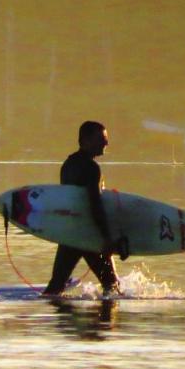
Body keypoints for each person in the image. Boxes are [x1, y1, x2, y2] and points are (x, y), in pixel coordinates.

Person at [42, 120, 120, 297]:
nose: (106, 143)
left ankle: (60, 322)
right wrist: (106, 238)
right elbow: (94, 204)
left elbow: (70, 201)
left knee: (55, 287)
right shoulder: (92, 168)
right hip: (87, 234)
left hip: (70, 234)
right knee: (112, 285)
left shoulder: (68, 164)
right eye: (102, 139)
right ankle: (106, 322)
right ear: (85, 141)